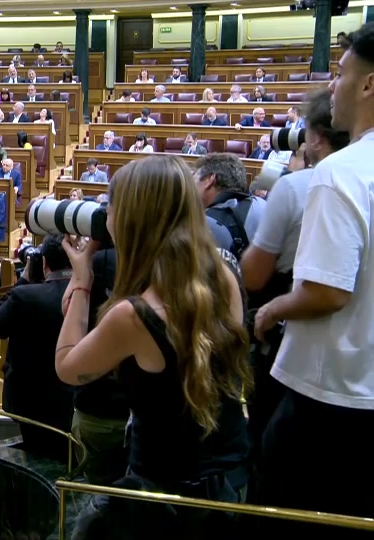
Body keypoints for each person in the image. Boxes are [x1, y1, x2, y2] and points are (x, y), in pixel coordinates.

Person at [57, 155, 251, 538]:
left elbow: (68, 366)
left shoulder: (136, 316)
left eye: (111, 208)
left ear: (132, 219)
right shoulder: (224, 273)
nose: (106, 218)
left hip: (165, 496)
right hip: (230, 480)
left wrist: (81, 281)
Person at [252, 23, 374, 538]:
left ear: (368, 84)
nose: (331, 85)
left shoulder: (341, 172)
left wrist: (271, 309)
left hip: (332, 400)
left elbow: (327, 291)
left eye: (340, 73)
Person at [239, 88, 351, 492]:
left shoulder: (297, 186)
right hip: (358, 361)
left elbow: (253, 276)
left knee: (275, 453)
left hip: (293, 336)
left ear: (316, 138)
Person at [0, 235, 76, 461]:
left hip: (31, 399)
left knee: (37, 456)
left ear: (44, 262)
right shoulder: (87, 293)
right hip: (75, 396)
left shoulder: (25, 295)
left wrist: (23, 280)